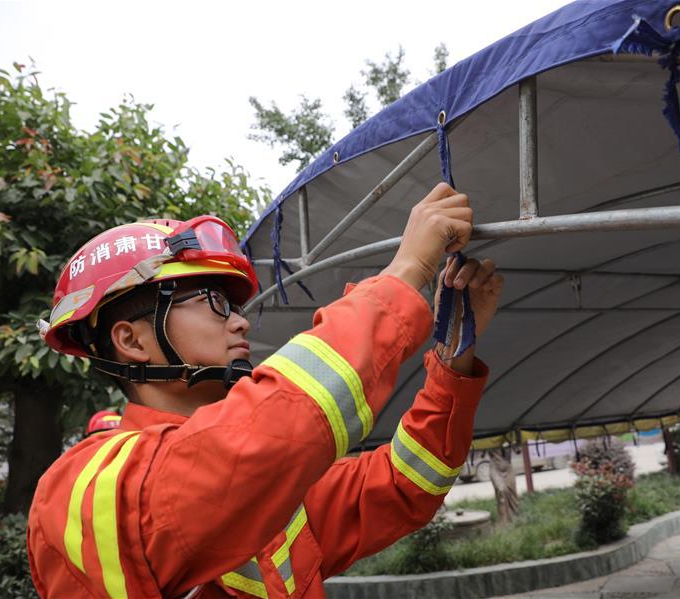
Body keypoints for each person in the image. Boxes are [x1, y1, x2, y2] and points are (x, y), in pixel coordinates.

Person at [27, 182, 504, 598]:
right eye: (213, 301)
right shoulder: (82, 488)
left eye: (235, 304)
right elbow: (268, 431)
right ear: (131, 340)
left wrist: (452, 358)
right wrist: (406, 271)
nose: (238, 320)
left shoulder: (275, 484)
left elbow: (407, 485)